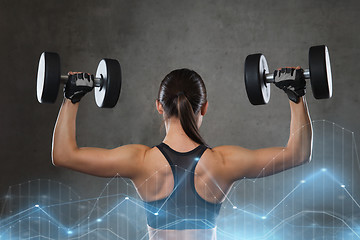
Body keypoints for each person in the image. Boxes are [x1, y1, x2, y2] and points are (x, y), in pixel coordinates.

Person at [52, 68, 312, 240]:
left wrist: (72, 97)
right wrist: (295, 95)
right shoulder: (224, 162)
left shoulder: (140, 161)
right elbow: (297, 154)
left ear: (158, 107)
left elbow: (63, 154)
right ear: (205, 108)